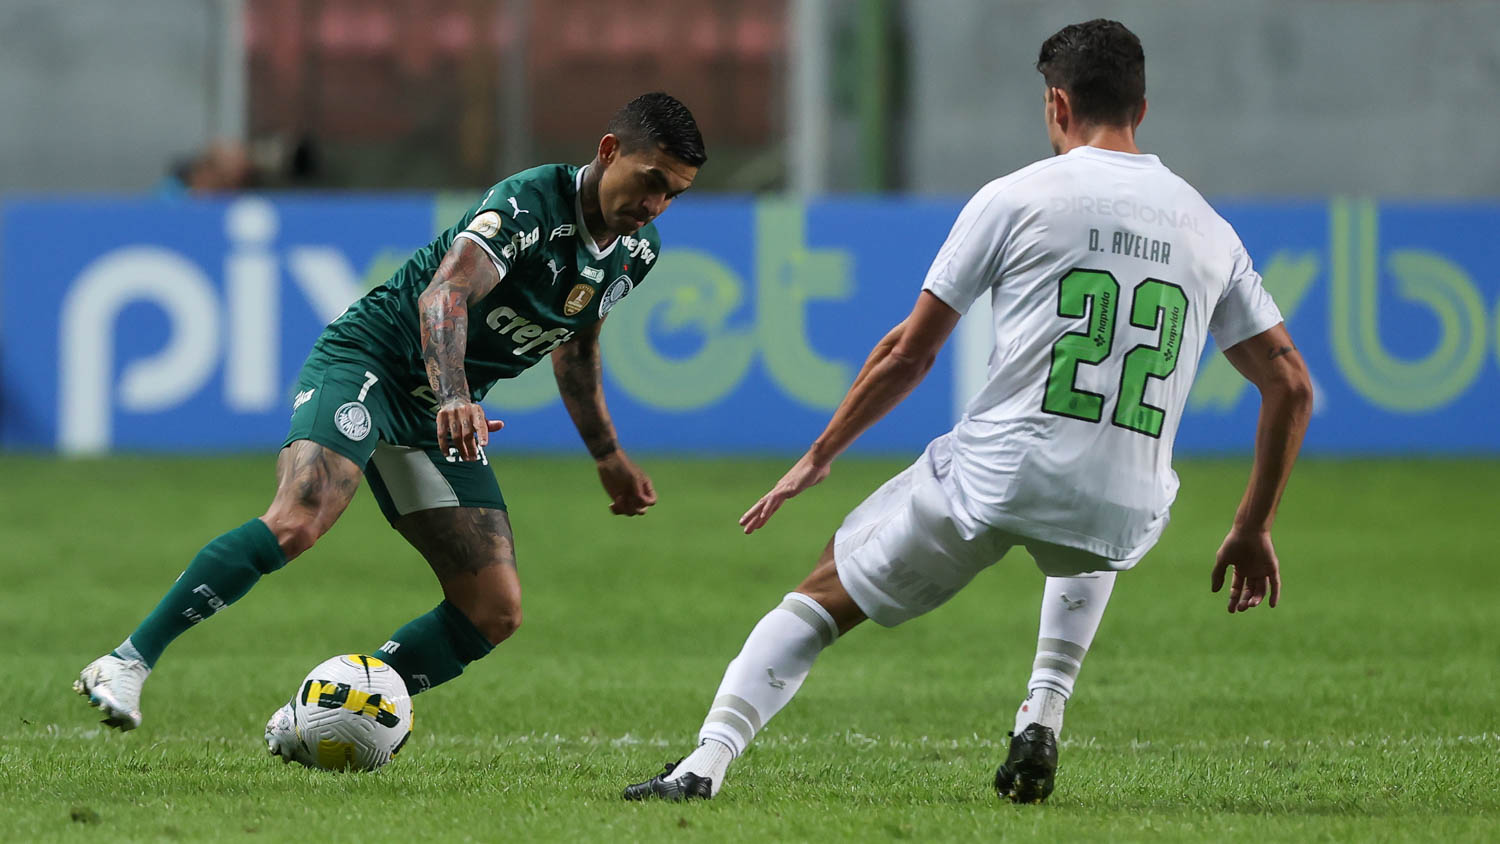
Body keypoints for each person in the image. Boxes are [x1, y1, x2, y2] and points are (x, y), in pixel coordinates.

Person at [622, 21, 1312, 804]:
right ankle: (1043, 711)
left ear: (1057, 103)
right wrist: (1253, 525)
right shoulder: (1209, 229)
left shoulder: (1018, 196)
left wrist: (821, 453)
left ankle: (704, 764)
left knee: (819, 598)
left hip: (998, 477)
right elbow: (1291, 385)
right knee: (1088, 512)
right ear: (1141, 110)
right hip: (1126, 510)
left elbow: (908, 355)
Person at [75, 94, 706, 763]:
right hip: (371, 364)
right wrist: (454, 395)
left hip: (436, 410)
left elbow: (576, 345)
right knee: (300, 518)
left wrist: (607, 455)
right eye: (651, 182)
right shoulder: (528, 205)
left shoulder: (637, 249)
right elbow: (444, 295)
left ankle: (321, 711)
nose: (657, 204)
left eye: (675, 195)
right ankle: (126, 661)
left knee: (494, 609)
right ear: (609, 152)